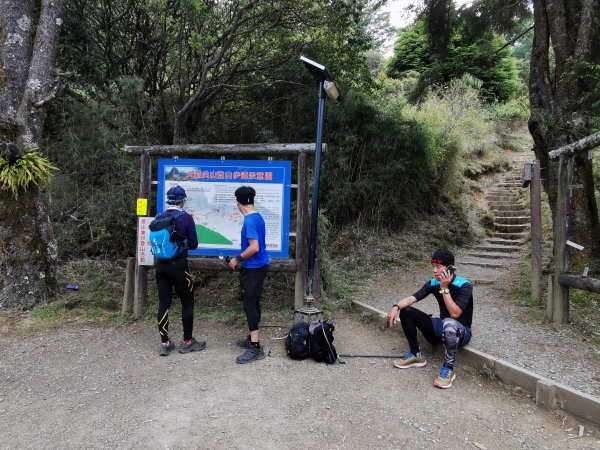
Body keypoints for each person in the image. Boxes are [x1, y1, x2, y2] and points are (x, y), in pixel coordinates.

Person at [387, 249, 473, 389]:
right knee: (407, 310)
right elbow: (412, 298)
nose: (434, 270)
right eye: (433, 266)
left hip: (461, 331)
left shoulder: (465, 285)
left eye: (438, 267)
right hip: (442, 326)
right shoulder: (433, 283)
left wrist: (445, 288)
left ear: (450, 268)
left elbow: (455, 314)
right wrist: (396, 306)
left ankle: (448, 369)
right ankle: (416, 355)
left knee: (450, 322)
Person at [156, 185, 206, 356]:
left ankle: (165, 343)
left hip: (161, 265)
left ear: (168, 200)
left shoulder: (159, 217)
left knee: (164, 303)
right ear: (182, 201)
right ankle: (187, 341)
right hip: (178, 266)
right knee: (187, 302)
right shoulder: (185, 218)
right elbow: (193, 244)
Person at [228, 186, 269, 364]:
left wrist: (237, 258)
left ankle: (255, 347)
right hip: (259, 266)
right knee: (253, 303)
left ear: (238, 202)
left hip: (253, 268)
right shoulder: (257, 216)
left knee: (249, 305)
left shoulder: (250, 221)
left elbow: (254, 247)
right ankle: (251, 339)